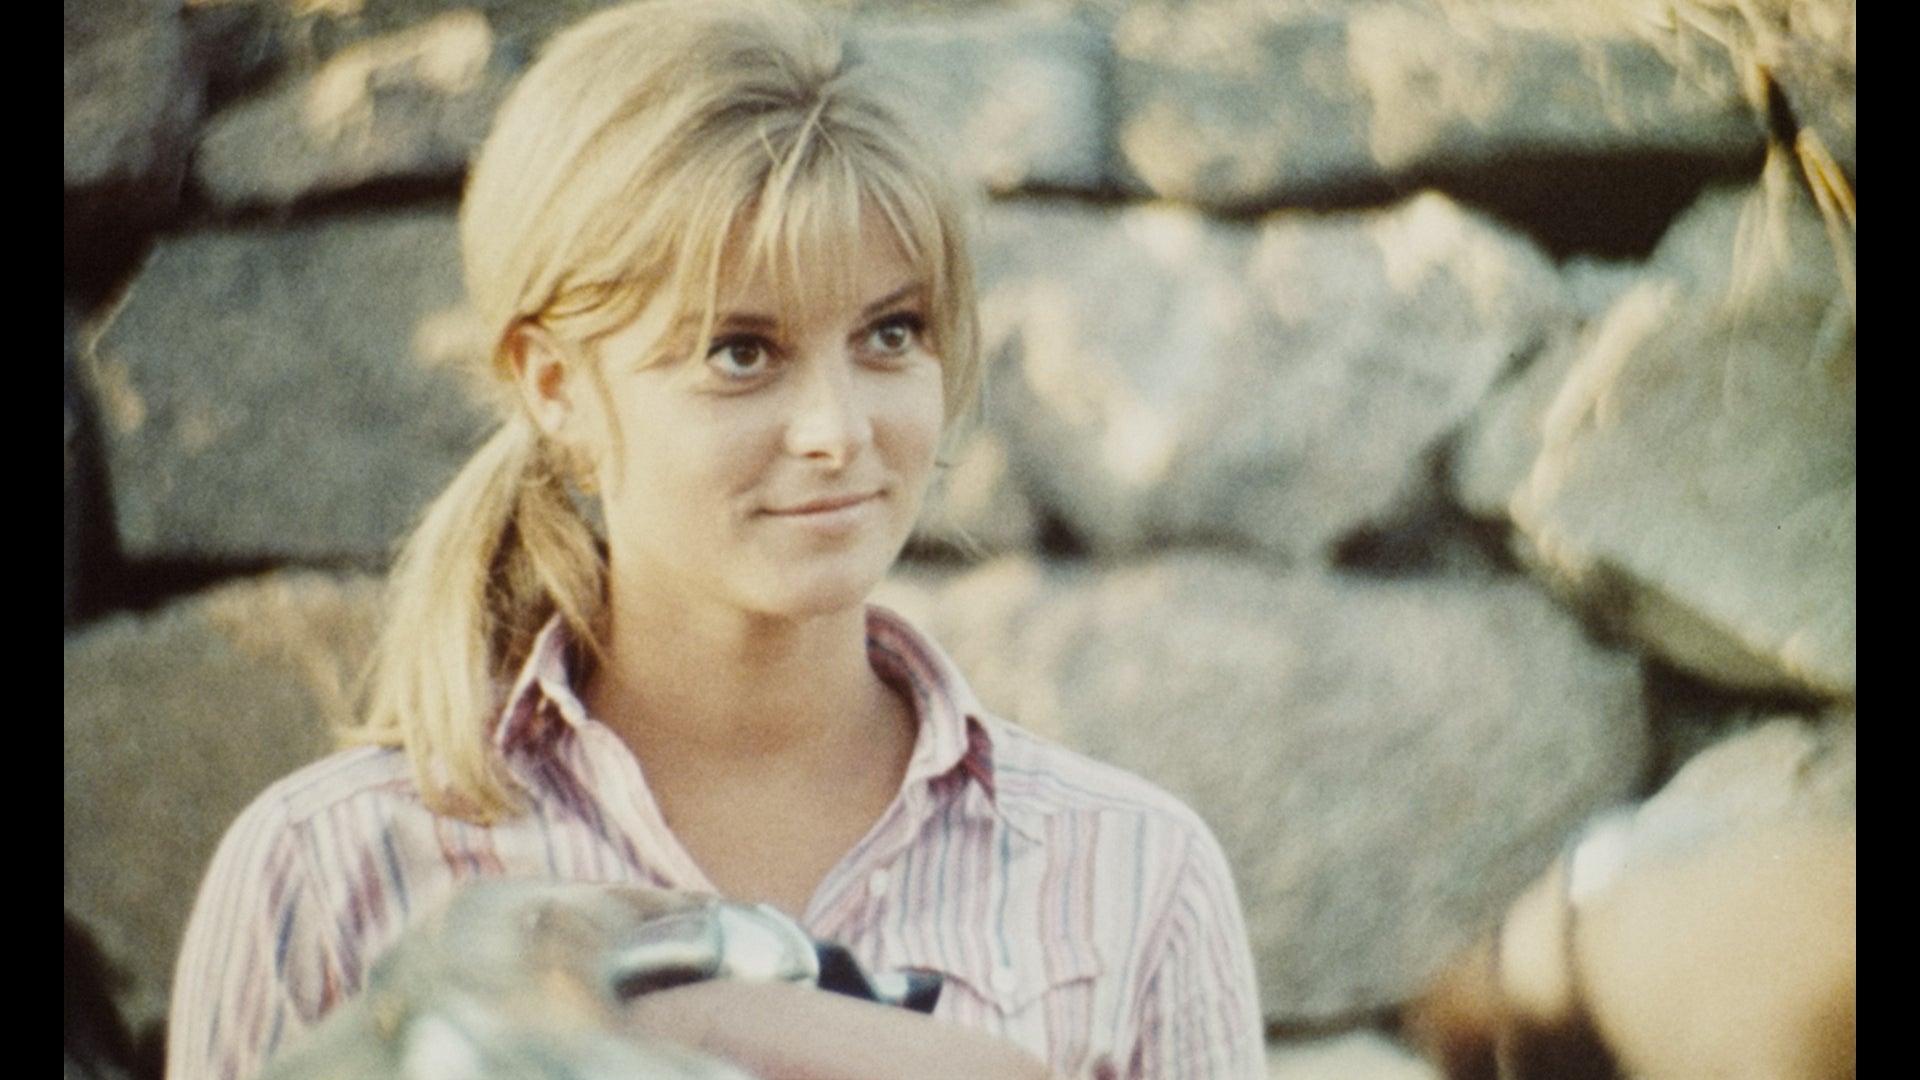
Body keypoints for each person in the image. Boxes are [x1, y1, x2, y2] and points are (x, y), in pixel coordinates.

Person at [165, 1, 1264, 1077]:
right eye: (741, 352)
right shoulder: (327, 872)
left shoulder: (1133, 876)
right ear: (555, 385)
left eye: (891, 333)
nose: (838, 433)